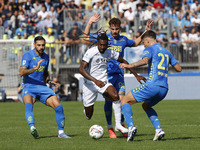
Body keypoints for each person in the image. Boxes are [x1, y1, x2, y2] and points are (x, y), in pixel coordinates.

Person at [83, 13, 152, 138]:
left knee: (120, 99)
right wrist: (90, 22)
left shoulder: (123, 39)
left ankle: (120, 124)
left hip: (119, 74)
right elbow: (85, 38)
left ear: (120, 28)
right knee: (109, 101)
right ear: (110, 28)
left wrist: (145, 32)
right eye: (113, 29)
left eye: (117, 29)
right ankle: (110, 127)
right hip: (106, 74)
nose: (114, 31)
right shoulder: (104, 39)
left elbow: (136, 43)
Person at [119, 30, 182, 142]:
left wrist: (129, 65)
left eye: (144, 43)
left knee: (125, 101)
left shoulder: (150, 49)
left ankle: (131, 127)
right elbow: (179, 68)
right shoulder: (167, 52)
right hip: (164, 89)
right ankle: (158, 130)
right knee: (146, 106)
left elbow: (144, 60)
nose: (144, 45)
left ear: (148, 41)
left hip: (152, 85)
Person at [79, 32, 145, 133]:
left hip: (103, 82)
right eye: (100, 44)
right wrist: (95, 81)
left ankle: (118, 125)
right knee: (89, 115)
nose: (102, 47)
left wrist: (136, 75)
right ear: (97, 43)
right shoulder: (91, 52)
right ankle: (86, 110)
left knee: (115, 96)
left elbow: (123, 61)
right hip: (90, 84)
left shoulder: (110, 52)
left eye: (104, 45)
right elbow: (81, 70)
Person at [19, 36, 71, 139]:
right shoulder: (28, 55)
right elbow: (22, 72)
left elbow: (45, 72)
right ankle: (32, 128)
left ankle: (61, 133)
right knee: (29, 106)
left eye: (43, 45)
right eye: (39, 45)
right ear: (34, 45)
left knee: (59, 106)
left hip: (42, 87)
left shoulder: (46, 57)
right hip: (29, 86)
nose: (41, 47)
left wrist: (48, 80)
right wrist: (34, 68)